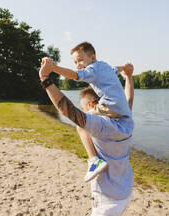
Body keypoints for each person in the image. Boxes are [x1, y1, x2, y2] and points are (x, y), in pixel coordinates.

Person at [39, 59, 135, 216]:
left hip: (107, 197)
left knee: (80, 124)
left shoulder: (100, 125)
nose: (84, 111)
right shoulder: (125, 119)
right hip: (125, 191)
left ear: (91, 106)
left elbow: (69, 111)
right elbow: (128, 100)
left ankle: (94, 160)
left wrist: (45, 79)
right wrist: (129, 77)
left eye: (84, 108)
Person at [43, 42, 132, 182]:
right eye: (75, 62)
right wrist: (126, 70)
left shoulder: (92, 69)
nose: (78, 65)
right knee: (88, 119)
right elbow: (116, 69)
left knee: (80, 123)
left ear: (92, 57)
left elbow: (74, 75)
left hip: (109, 106)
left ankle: (93, 160)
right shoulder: (104, 66)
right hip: (121, 110)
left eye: (80, 60)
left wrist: (54, 68)